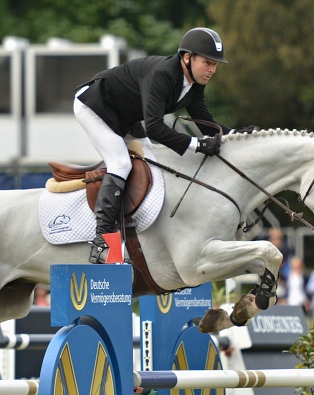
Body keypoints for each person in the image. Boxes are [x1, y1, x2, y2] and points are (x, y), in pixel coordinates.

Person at [74, 27, 252, 263]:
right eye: (208, 62)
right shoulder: (163, 74)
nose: (212, 70)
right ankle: (103, 242)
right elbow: (155, 128)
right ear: (187, 58)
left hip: (125, 116)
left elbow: (207, 124)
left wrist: (236, 136)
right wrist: (197, 145)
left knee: (154, 164)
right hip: (95, 105)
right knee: (120, 163)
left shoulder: (194, 83)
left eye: (215, 65)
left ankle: (138, 231)